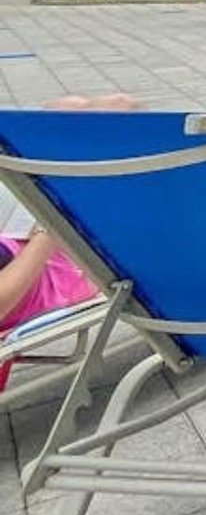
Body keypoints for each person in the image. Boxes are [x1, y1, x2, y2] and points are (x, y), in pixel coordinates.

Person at [0, 96, 116, 388]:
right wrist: (51, 223)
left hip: (25, 242)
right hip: (59, 268)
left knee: (74, 107)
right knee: (113, 110)